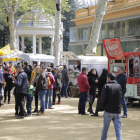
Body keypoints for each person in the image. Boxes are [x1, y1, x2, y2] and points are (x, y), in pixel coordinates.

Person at [100, 73, 122, 140]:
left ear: (109, 78)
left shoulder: (106, 86)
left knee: (105, 129)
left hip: (108, 110)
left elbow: (103, 99)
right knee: (118, 130)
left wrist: (103, 107)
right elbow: (120, 98)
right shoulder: (119, 86)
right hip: (117, 110)